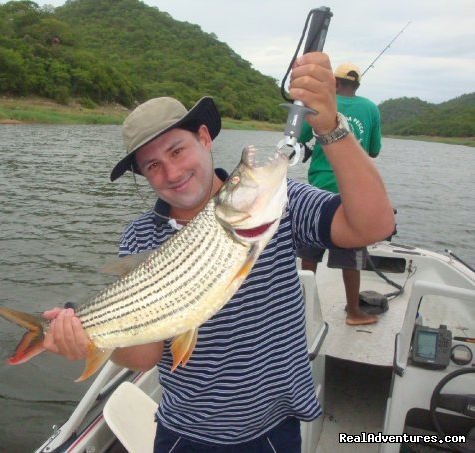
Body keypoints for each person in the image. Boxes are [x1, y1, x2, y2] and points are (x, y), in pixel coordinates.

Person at [43, 53, 395, 452]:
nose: (172, 173)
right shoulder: (141, 235)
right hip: (184, 432)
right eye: (153, 166)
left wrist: (331, 127)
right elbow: (144, 355)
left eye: (177, 151)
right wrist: (88, 340)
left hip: (275, 427)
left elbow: (375, 225)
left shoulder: (283, 203)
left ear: (205, 138)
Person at [298, 62, 383, 326]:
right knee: (352, 257)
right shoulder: (370, 109)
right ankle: (354, 312)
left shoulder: (321, 103)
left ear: (335, 83)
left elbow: (300, 137)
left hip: (318, 189)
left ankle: (303, 311)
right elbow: (373, 151)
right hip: (352, 193)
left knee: (309, 255)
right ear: (357, 85)